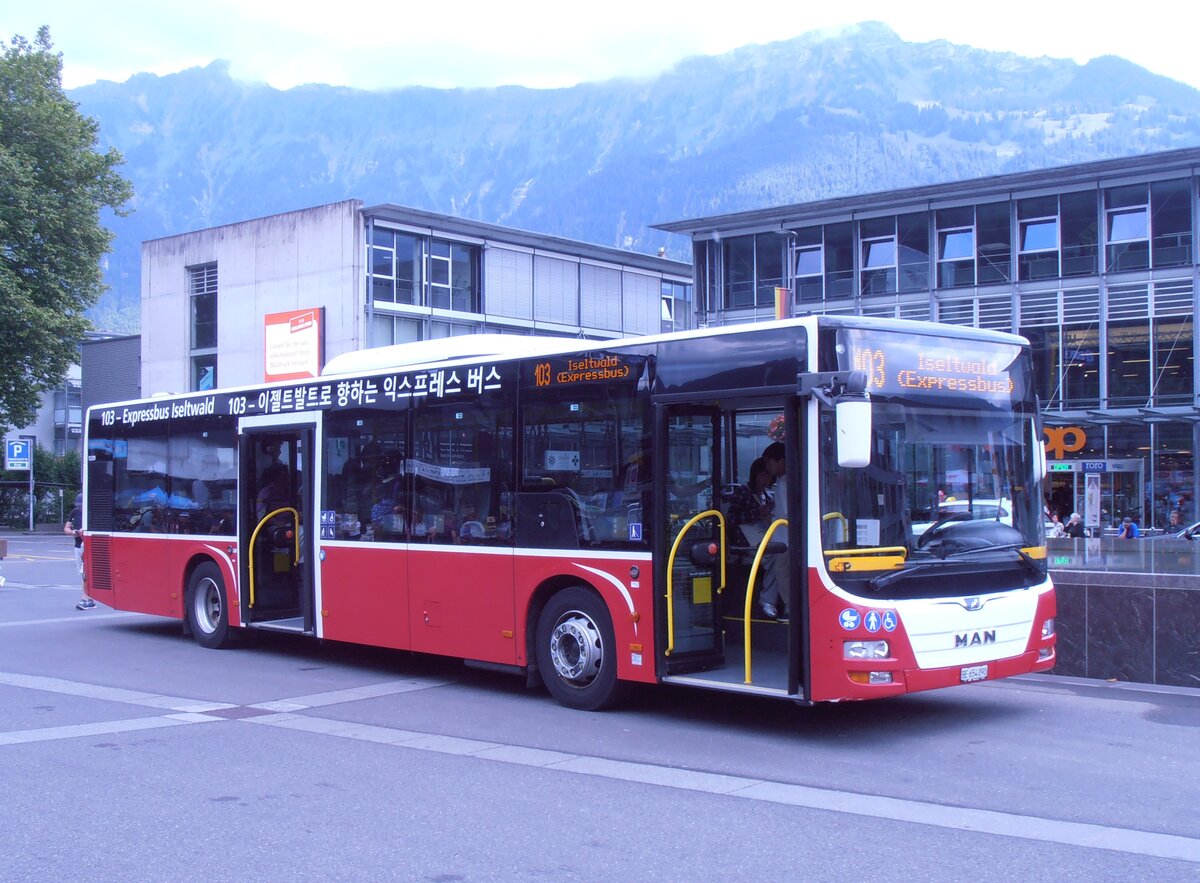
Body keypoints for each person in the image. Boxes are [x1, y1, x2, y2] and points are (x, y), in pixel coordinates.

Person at [728, 458, 786, 620]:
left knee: (782, 555)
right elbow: (731, 518)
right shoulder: (743, 492)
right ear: (755, 475)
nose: (766, 480)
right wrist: (757, 514)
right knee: (776, 559)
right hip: (745, 542)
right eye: (763, 476)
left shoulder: (768, 496)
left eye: (769, 477)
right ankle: (767, 600)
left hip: (764, 538)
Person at [65, 494, 94, 610]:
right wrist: (73, 532)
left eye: (82, 505)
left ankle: (84, 598)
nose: (80, 508)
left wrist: (85, 530)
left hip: (88, 544)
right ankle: (90, 598)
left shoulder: (91, 513)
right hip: (78, 545)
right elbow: (66, 528)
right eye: (79, 506)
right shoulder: (74, 512)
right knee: (82, 574)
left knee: (85, 572)